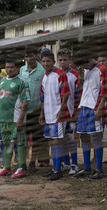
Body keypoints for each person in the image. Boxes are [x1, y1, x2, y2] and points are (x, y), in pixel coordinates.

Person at [72, 51, 107, 179]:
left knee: (95, 136)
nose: (85, 68)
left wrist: (99, 108)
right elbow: (82, 87)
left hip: (94, 106)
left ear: (89, 61)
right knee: (83, 135)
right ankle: (86, 166)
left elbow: (105, 90)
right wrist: (82, 75)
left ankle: (99, 168)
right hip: (84, 106)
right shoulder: (86, 71)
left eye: (85, 65)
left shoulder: (101, 69)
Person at [0, 57, 30, 178]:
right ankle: (7, 167)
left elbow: (25, 102)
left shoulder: (22, 81)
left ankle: (22, 167)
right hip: (4, 118)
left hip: (16, 119)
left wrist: (20, 119)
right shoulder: (3, 81)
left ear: (17, 68)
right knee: (6, 143)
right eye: (7, 67)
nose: (9, 69)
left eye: (11, 67)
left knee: (20, 143)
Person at [39, 49, 71, 181]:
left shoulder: (60, 74)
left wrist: (62, 110)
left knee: (57, 141)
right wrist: (42, 114)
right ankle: (54, 168)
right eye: (44, 61)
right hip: (48, 114)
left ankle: (58, 170)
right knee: (52, 141)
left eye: (48, 61)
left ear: (53, 62)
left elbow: (65, 94)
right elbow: (43, 97)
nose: (46, 64)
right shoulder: (44, 76)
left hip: (57, 114)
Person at [20, 47, 48, 169]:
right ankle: (23, 162)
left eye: (31, 56)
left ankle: (33, 161)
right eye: (26, 56)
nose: (29, 59)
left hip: (37, 110)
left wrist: (41, 106)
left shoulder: (42, 70)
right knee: (24, 138)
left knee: (37, 138)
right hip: (24, 111)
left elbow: (45, 91)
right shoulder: (22, 70)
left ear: (36, 55)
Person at [57, 49, 80, 174]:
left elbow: (78, 95)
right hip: (58, 113)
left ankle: (74, 164)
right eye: (60, 60)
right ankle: (65, 163)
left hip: (70, 112)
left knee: (70, 138)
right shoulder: (56, 74)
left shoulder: (75, 75)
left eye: (65, 60)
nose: (62, 62)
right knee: (61, 139)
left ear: (70, 60)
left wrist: (76, 111)